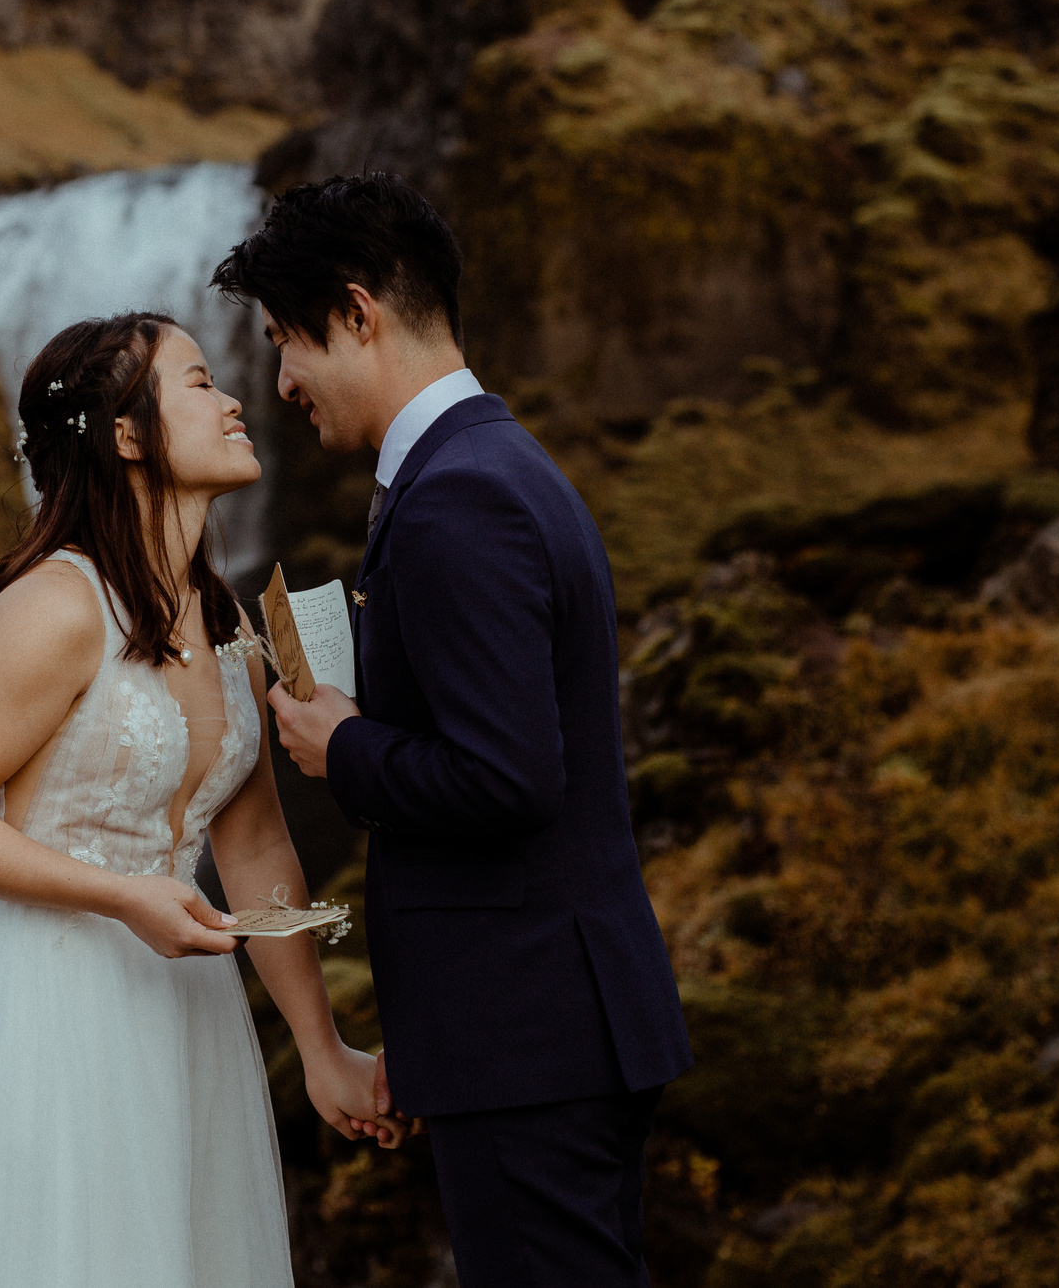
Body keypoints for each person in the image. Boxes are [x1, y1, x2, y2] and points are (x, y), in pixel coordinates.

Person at [212, 173, 696, 1287]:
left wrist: (340, 748)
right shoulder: (488, 464)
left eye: (288, 340)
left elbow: (507, 776)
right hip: (547, 1025)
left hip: (525, 1033)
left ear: (357, 313)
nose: (279, 381)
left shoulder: (456, 497)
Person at [0, 311, 390, 1288]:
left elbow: (255, 848)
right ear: (123, 434)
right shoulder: (53, 607)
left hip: (182, 998)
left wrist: (321, 1049)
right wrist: (121, 895)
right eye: (200, 382)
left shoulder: (230, 615)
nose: (237, 399)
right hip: (42, 995)